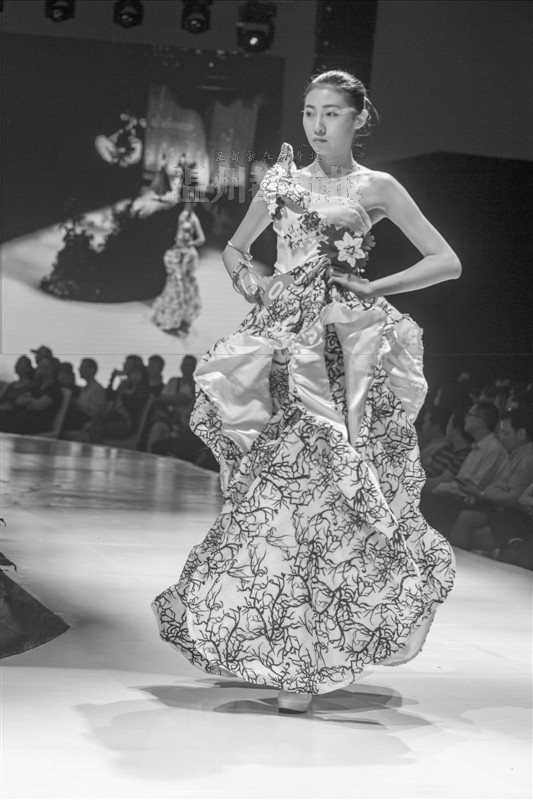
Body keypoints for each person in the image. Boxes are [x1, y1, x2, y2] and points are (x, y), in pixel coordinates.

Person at [152, 70, 461, 715]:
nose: (318, 125)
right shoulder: (281, 181)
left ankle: (311, 661)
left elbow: (446, 261)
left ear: (358, 119)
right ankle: (291, 655)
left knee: (334, 503)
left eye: (332, 113)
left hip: (345, 356)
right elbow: (235, 250)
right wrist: (258, 286)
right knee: (277, 501)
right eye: (309, 112)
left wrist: (375, 287)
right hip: (282, 347)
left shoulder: (377, 187)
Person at [447, 408, 533, 555]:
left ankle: (450, 561)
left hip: (515, 516)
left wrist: (480, 493)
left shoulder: (527, 459)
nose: (501, 437)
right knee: (455, 513)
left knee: (465, 518)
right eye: (500, 433)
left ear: (521, 434)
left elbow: (513, 497)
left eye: (505, 433)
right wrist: (480, 492)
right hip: (498, 507)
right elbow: (500, 488)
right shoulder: (513, 453)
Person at [152, 201, 205, 336]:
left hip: (185, 256)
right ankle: (169, 319)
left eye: (192, 201)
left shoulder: (193, 218)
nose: (190, 203)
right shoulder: (180, 215)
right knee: (175, 286)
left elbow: (201, 239)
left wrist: (189, 243)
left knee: (184, 287)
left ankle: (179, 319)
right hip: (176, 254)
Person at [0, 356, 62, 434]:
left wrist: (28, 401)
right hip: (20, 420)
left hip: (35, 425)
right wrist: (32, 401)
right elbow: (19, 401)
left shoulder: (54, 389)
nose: (38, 367)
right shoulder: (36, 387)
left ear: (50, 370)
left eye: (42, 366)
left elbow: (38, 406)